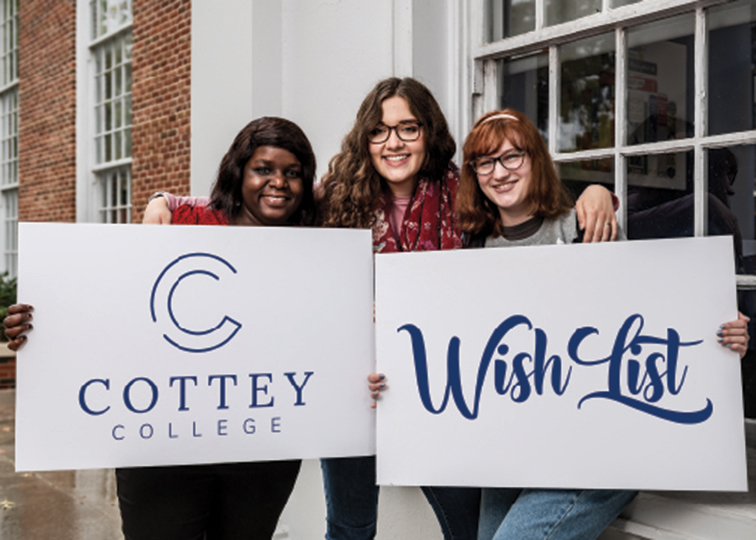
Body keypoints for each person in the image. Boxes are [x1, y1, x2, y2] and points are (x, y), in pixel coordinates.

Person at [139, 77, 619, 540]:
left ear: (427, 134)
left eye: (408, 128)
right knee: (350, 526)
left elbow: (525, 207)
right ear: (365, 139)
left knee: (467, 525)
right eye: (379, 131)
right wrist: (169, 202)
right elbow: (260, 202)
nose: (394, 142)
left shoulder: (463, 192)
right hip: (354, 388)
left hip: (439, 390)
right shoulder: (336, 194)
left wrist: (596, 195)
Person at [4, 116, 318, 540]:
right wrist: (43, 325)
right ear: (239, 171)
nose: (278, 182)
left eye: (292, 173)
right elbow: (113, 299)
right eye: (263, 168)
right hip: (161, 444)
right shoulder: (189, 220)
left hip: (258, 447)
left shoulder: (318, 243)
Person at [452, 108, 750, 540]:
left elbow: (647, 320)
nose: (499, 172)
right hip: (517, 448)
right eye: (485, 161)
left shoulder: (584, 227)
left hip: (600, 450)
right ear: (474, 173)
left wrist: (717, 333)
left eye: (513, 156)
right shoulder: (474, 248)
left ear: (536, 159)